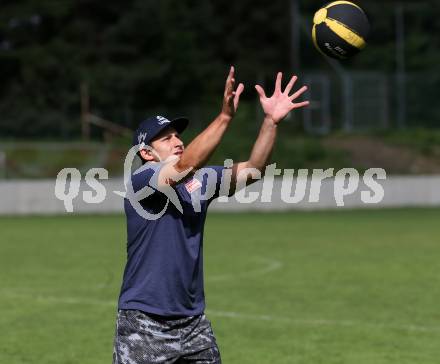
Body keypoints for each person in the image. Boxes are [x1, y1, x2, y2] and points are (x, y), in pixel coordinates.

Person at [113, 67, 309, 364]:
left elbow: (253, 170)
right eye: (166, 139)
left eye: (178, 135)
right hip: (144, 320)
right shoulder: (142, 181)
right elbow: (183, 167)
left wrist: (270, 122)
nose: (178, 141)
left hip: (193, 323)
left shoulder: (200, 183)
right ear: (147, 154)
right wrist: (225, 117)